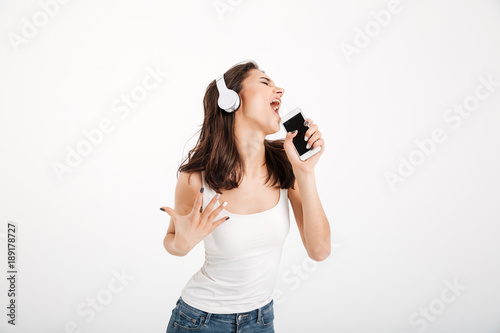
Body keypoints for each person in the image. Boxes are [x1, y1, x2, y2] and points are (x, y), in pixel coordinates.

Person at [160, 60, 331, 332]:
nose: (280, 90)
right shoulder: (196, 178)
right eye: (265, 82)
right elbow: (173, 243)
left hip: (261, 321)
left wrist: (306, 173)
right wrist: (182, 244)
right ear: (230, 100)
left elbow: (320, 251)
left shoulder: (287, 165)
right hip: (200, 321)